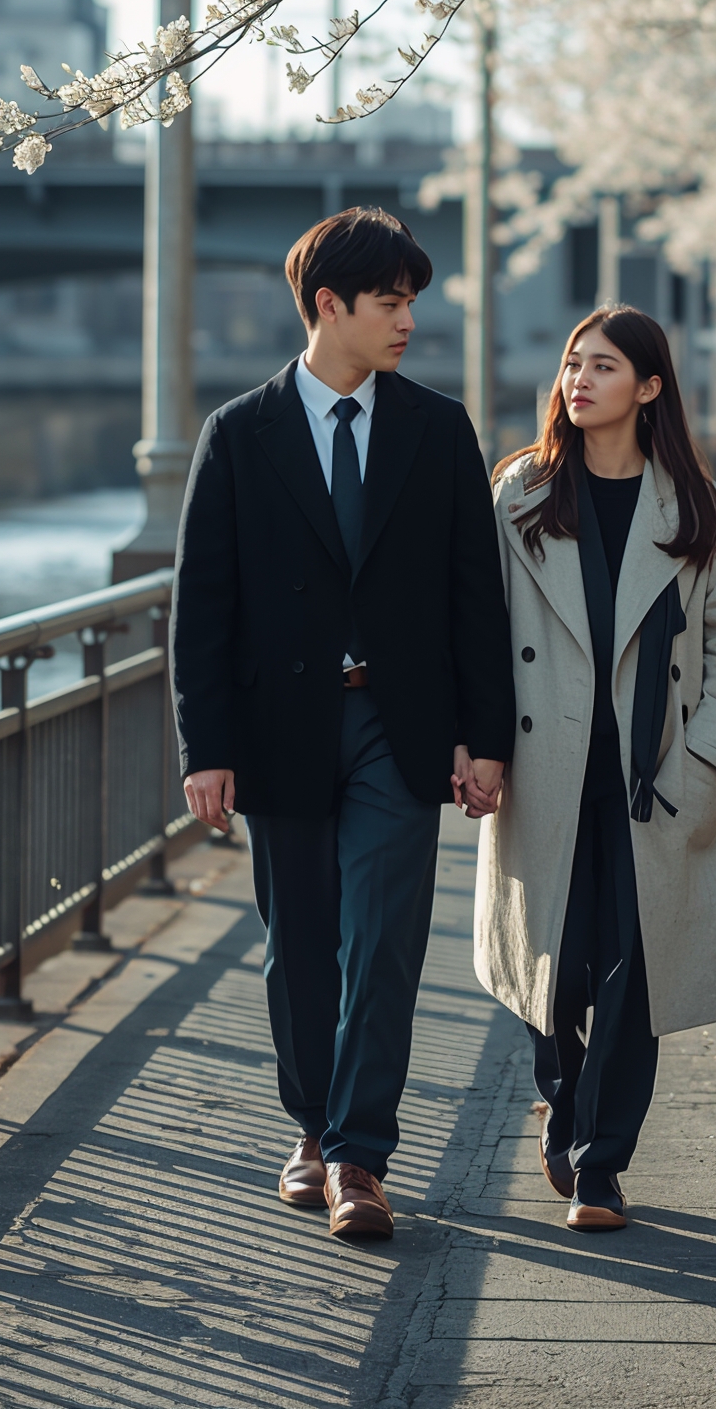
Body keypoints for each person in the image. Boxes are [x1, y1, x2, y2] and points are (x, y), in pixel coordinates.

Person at [170, 207, 514, 1245]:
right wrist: (207, 748)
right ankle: (311, 1132)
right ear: (330, 306)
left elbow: (475, 598)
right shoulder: (240, 432)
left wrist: (485, 736)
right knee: (298, 949)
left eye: (413, 301)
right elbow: (204, 606)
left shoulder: (437, 428)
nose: (410, 320)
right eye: (392, 302)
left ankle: (361, 1155)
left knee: (384, 942)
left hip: (400, 731)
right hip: (281, 731)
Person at [472, 306, 716, 1231]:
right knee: (549, 971)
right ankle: (563, 1103)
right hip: (543, 770)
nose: (578, 379)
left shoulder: (695, 507)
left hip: (655, 777)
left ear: (648, 388)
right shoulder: (520, 494)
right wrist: (475, 748)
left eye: (603, 366)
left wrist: (709, 756)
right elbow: (479, 637)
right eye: (571, 363)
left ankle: (601, 1167)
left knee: (635, 977)